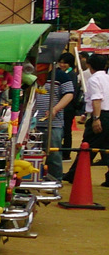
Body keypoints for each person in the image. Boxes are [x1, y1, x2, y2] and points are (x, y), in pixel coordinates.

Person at [74, 52, 109, 186]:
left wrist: (96, 118)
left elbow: (97, 99)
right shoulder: (107, 78)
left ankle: (75, 174)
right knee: (106, 146)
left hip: (101, 114)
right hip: (106, 114)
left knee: (87, 144)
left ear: (89, 65)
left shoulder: (94, 79)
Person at [47, 53, 77, 181]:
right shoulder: (32, 75)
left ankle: (55, 180)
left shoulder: (61, 76)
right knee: (30, 154)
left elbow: (69, 94)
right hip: (33, 122)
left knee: (54, 154)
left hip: (54, 122)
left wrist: (55, 109)